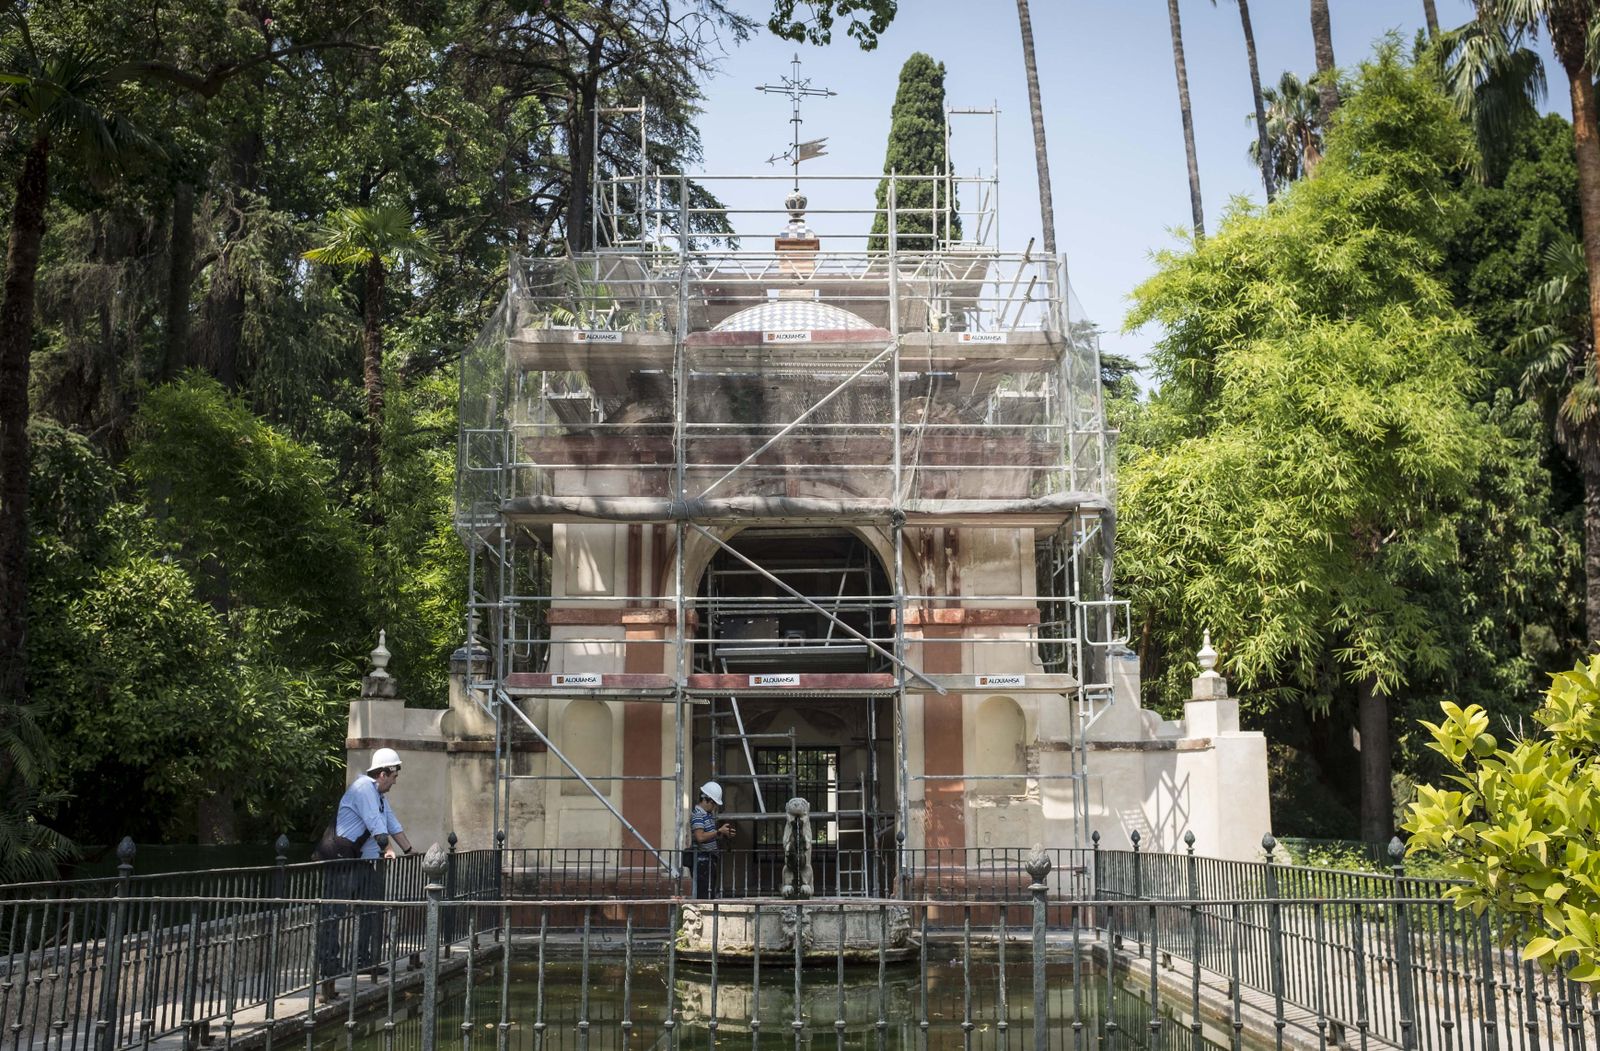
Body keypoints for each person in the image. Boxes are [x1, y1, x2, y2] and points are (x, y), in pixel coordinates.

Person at [315, 748, 414, 998]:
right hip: (341, 859)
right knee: (334, 912)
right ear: (383, 774)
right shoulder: (363, 789)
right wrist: (389, 849)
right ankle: (328, 965)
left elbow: (392, 823)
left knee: (372, 907)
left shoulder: (380, 797)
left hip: (359, 860)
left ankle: (363, 958)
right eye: (393, 776)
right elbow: (375, 824)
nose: (395, 781)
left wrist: (410, 850)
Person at [690, 780, 735, 899]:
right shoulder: (698, 815)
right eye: (713, 803)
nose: (714, 807)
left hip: (709, 860)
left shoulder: (707, 815)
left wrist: (723, 834)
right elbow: (700, 837)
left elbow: (710, 836)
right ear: (705, 799)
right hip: (702, 861)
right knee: (704, 895)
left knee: (710, 894)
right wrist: (719, 831)